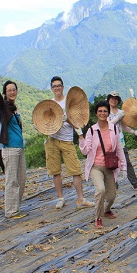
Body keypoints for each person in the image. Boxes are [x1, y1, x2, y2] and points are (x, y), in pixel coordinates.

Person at [77, 100, 127, 228]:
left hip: (110, 167)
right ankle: (98, 217)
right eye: (100, 111)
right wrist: (81, 137)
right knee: (101, 190)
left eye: (105, 111)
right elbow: (85, 151)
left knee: (111, 196)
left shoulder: (114, 128)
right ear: (96, 113)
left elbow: (119, 149)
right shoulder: (92, 130)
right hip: (96, 167)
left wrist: (124, 168)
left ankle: (106, 209)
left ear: (108, 113)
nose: (102, 113)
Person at [47, 76, 93, 209]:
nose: (57, 88)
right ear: (52, 88)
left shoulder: (68, 102)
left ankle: (80, 199)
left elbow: (77, 121)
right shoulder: (50, 104)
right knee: (55, 171)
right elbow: (46, 121)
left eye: (59, 85)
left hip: (67, 140)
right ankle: (61, 198)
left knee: (75, 170)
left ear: (62, 87)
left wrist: (79, 134)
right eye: (54, 86)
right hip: (52, 139)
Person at [0, 78, 27, 219]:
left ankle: (16, 207)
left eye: (14, 89)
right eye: (9, 90)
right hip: (10, 148)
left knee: (22, 179)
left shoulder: (14, 108)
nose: (12, 92)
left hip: (19, 147)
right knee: (12, 180)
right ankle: (11, 211)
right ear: (5, 92)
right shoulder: (4, 106)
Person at [106, 91, 137, 191]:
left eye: (116, 98)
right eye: (112, 98)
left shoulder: (120, 112)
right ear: (109, 99)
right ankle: (113, 184)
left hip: (120, 140)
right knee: (111, 164)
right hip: (109, 141)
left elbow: (124, 126)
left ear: (118, 100)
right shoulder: (105, 111)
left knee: (126, 162)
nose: (113, 100)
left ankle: (135, 183)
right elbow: (107, 125)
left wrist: (133, 132)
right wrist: (118, 117)